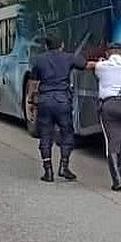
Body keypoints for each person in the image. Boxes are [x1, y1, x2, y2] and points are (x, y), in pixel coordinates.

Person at [28, 34, 88, 182]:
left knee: (45, 135)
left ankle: (48, 171)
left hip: (45, 101)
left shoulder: (39, 60)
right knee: (67, 132)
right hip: (62, 100)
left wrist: (31, 102)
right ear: (61, 44)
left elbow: (33, 83)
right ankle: (64, 166)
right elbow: (83, 64)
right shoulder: (68, 57)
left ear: (46, 46)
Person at [92, 43, 121, 191]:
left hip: (110, 106)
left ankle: (117, 180)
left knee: (112, 143)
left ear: (108, 53)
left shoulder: (101, 66)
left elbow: (96, 71)